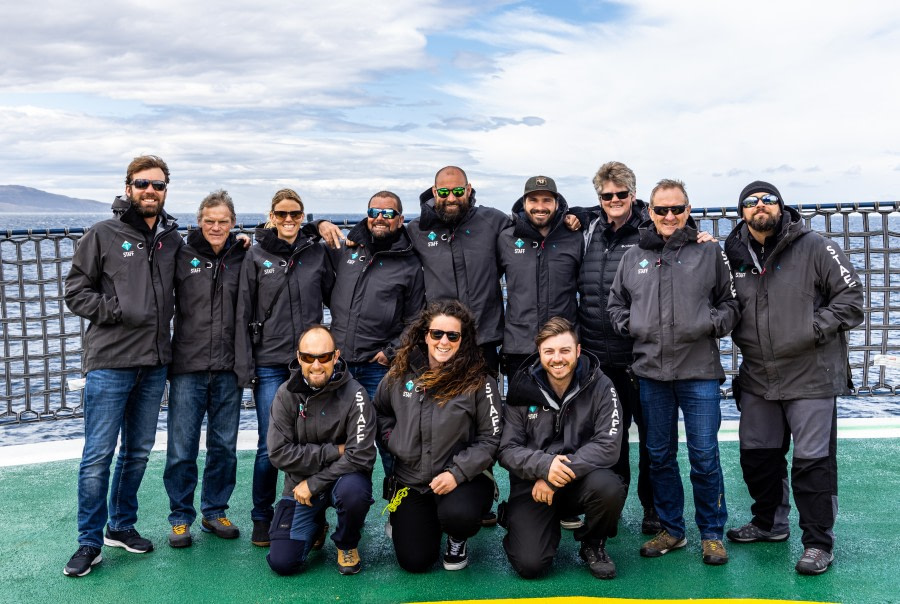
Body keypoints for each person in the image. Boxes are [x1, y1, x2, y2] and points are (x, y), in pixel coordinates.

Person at [723, 181, 864, 575]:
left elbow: (852, 300)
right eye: (751, 202)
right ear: (742, 212)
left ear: (781, 207)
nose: (760, 205)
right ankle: (769, 523)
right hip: (758, 377)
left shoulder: (815, 245)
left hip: (811, 376)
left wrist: (811, 329)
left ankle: (819, 543)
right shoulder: (731, 254)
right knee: (757, 456)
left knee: (813, 463)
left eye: (768, 199)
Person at [607, 178, 739, 565]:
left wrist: (708, 323)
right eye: (661, 209)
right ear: (649, 211)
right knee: (659, 455)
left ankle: (712, 533)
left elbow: (730, 304)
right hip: (650, 373)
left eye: (676, 209)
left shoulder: (708, 252)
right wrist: (634, 325)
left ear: (688, 210)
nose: (669, 216)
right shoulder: (633, 257)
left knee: (704, 454)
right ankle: (672, 529)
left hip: (698, 372)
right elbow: (615, 305)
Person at [63, 155, 182, 577]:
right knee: (97, 455)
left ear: (166, 190)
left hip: (154, 364)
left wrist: (247, 241)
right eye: (143, 184)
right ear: (128, 187)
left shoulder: (171, 239)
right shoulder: (103, 234)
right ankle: (88, 542)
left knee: (136, 453)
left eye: (158, 185)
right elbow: (75, 291)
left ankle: (120, 526)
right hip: (110, 362)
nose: (150, 191)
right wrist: (117, 309)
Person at [235, 188, 335, 547]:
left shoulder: (316, 252)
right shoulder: (255, 254)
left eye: (296, 214)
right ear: (271, 216)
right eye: (282, 214)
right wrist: (245, 366)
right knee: (269, 445)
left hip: (310, 363)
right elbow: (243, 311)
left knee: (313, 440)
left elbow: (335, 295)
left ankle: (313, 515)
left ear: (303, 215)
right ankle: (262, 517)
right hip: (269, 363)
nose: (289, 220)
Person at [373, 300, 501, 572]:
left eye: (452, 335)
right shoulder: (399, 372)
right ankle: (418, 521)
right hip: (412, 480)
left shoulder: (480, 381)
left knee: (458, 515)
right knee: (414, 561)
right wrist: (393, 438)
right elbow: (381, 411)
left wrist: (457, 472)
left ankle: (457, 537)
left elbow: (491, 439)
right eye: (437, 334)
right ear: (425, 335)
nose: (444, 341)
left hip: (463, 480)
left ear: (463, 340)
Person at [499, 317, 626, 579]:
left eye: (565, 350)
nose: (558, 358)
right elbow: (507, 449)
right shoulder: (522, 387)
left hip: (580, 479)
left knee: (610, 488)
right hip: (533, 485)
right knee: (530, 565)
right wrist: (545, 467)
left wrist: (556, 476)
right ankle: (519, 522)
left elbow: (609, 445)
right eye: (549, 351)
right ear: (540, 354)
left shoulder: (601, 385)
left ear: (578, 351)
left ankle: (593, 544)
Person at [575, 161, 658, 535]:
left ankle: (654, 509)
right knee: (612, 438)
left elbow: (682, 244)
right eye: (606, 195)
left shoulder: (651, 228)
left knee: (655, 440)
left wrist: (699, 236)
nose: (614, 200)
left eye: (621, 194)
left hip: (641, 354)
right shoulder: (591, 227)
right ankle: (616, 500)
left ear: (633, 195)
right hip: (598, 355)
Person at [163, 190, 247, 548]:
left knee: (224, 447)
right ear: (199, 221)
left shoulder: (243, 255)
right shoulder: (181, 254)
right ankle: (181, 517)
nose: (216, 226)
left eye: (223, 221)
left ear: (232, 223)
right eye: (210, 220)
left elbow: (280, 243)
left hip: (229, 367)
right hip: (187, 366)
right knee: (182, 448)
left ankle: (215, 511)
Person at [266, 326, 376, 576]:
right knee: (283, 563)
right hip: (299, 484)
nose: (316, 365)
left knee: (354, 493)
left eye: (324, 357)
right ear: (298, 357)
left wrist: (315, 482)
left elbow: (362, 455)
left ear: (336, 356)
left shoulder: (357, 394)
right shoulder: (285, 394)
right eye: (308, 357)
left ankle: (347, 543)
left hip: (342, 480)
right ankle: (316, 524)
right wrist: (335, 451)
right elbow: (279, 453)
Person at [327, 190, 424, 442]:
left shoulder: (410, 263)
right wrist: (319, 224)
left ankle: (395, 483)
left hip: (378, 367)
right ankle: (348, 483)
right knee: (339, 436)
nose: (380, 217)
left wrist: (390, 352)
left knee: (387, 436)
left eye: (388, 213)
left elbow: (416, 319)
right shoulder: (346, 251)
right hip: (340, 365)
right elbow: (301, 243)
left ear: (400, 220)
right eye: (374, 212)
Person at [498, 176, 583, 379]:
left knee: (565, 408)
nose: (540, 207)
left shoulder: (574, 237)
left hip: (563, 347)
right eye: (533, 200)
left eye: (547, 200)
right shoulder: (506, 238)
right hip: (519, 347)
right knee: (520, 410)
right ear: (524, 203)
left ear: (557, 203)